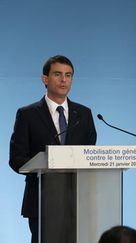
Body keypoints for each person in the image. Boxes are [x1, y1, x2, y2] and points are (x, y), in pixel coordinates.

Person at [9, 55, 97, 243]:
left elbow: (90, 155)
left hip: (78, 200)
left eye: (68, 75)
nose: (64, 80)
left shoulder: (84, 114)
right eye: (58, 74)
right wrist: (45, 164)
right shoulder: (27, 114)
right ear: (45, 79)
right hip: (42, 200)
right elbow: (16, 159)